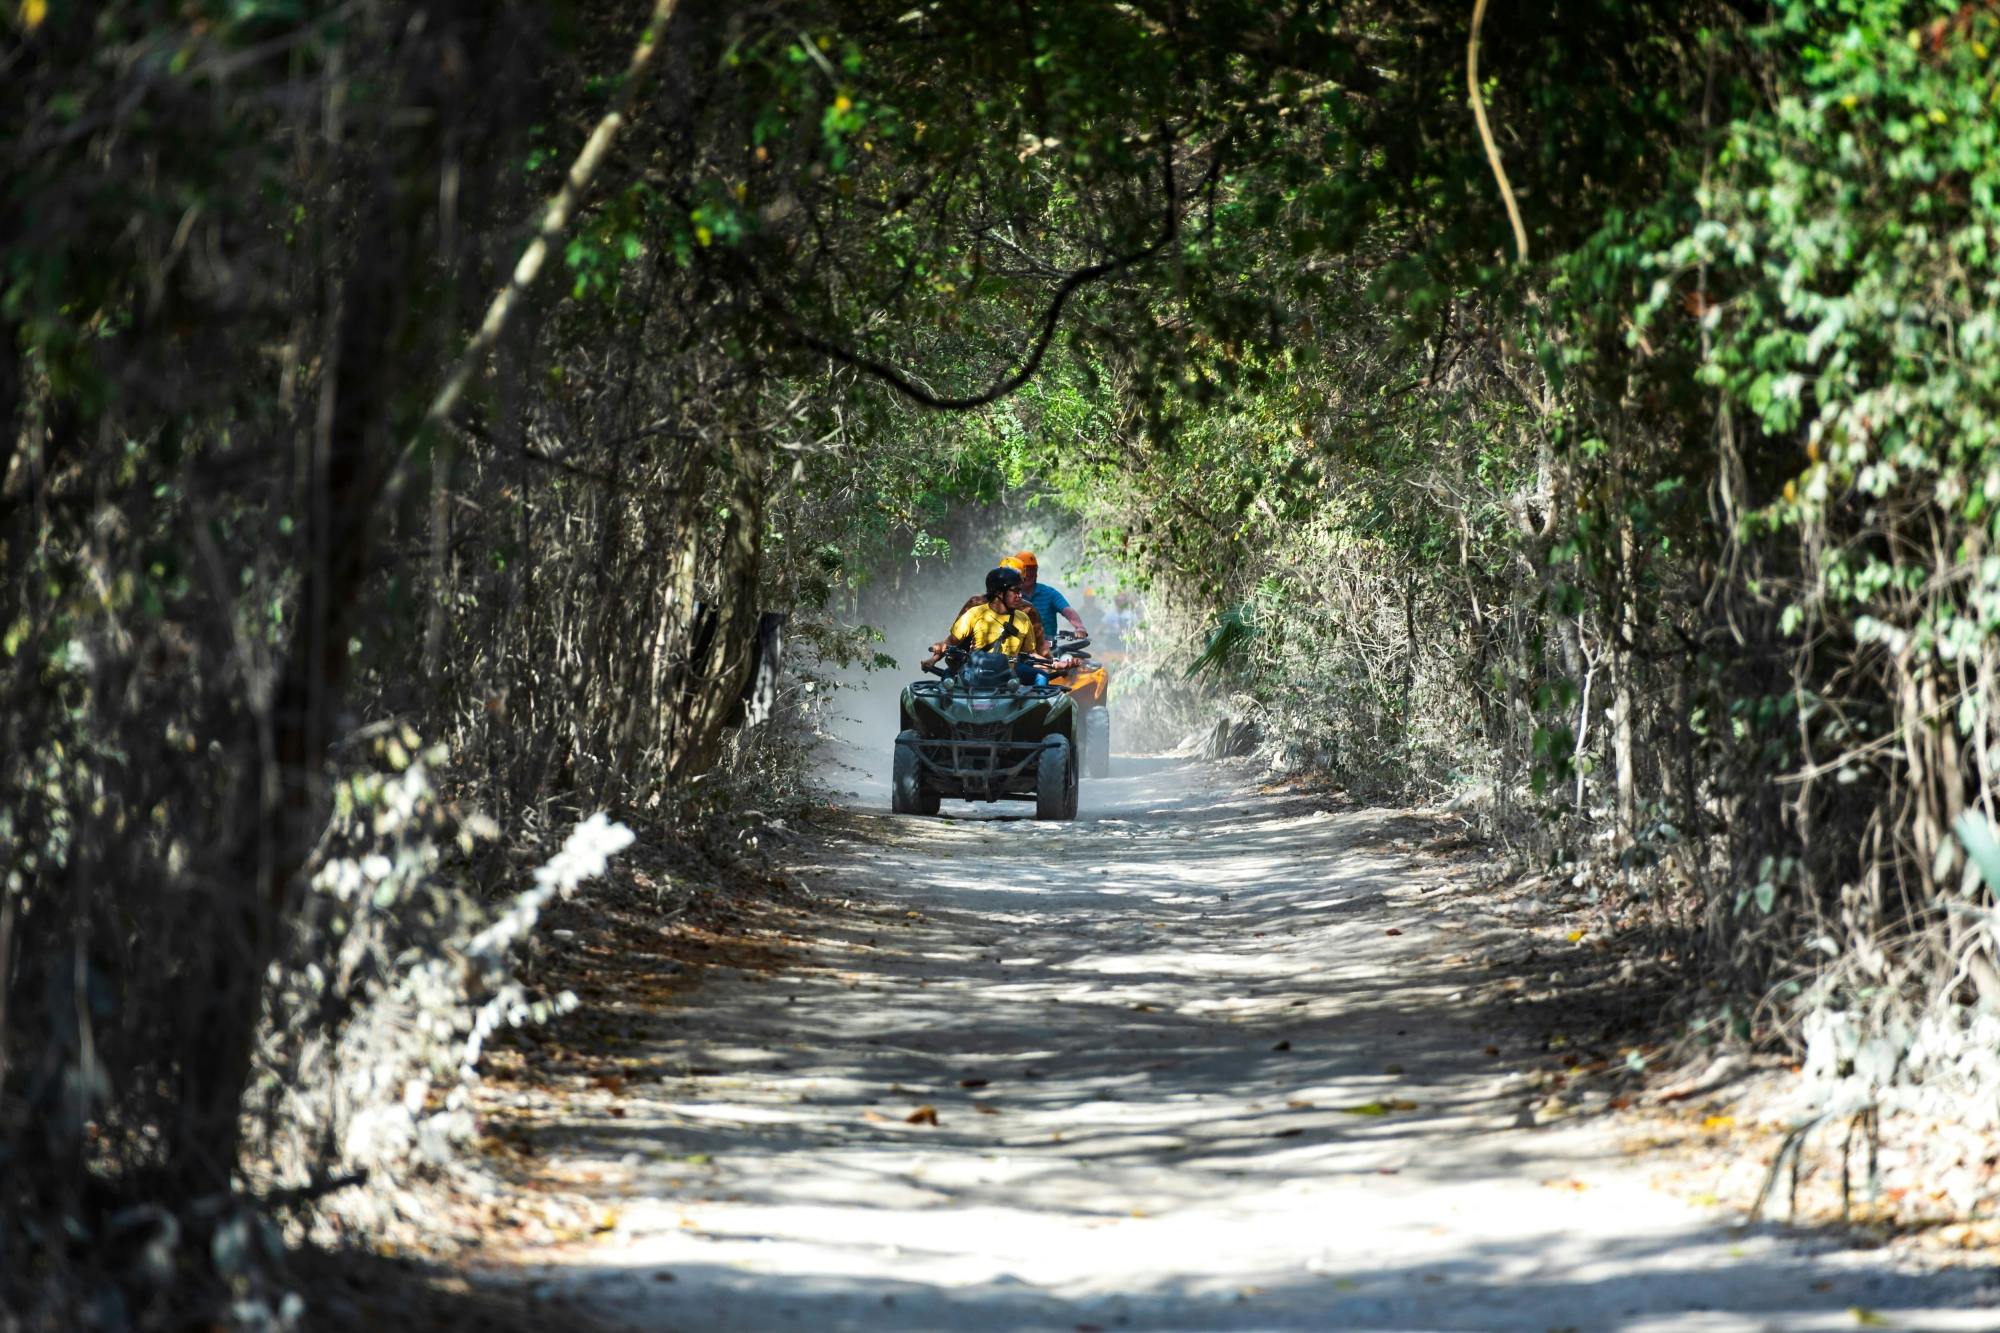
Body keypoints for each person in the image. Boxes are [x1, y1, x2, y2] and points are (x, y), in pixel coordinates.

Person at [1005, 551, 1087, 647]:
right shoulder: (1008, 595)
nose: (1028, 574)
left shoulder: (1049, 593)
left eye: (1032, 570)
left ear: (1036, 572)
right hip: (1017, 649)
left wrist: (1079, 627)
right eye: (1025, 570)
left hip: (1048, 648)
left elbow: (1067, 610)